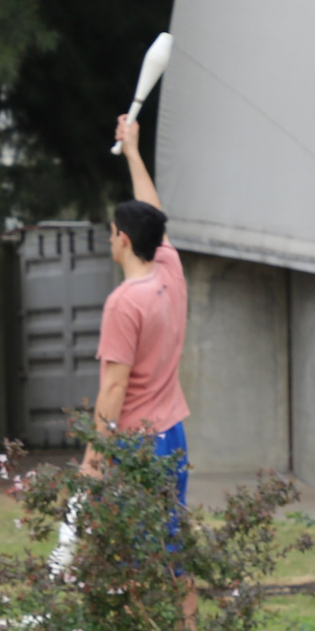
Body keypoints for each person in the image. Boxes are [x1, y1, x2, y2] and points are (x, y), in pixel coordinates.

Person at [85, 111, 190, 494]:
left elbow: (114, 388)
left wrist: (93, 462)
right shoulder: (169, 269)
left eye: (113, 231)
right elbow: (154, 216)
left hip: (135, 445)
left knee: (133, 554)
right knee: (167, 546)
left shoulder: (124, 303)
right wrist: (132, 150)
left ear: (124, 239)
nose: (110, 237)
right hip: (172, 436)